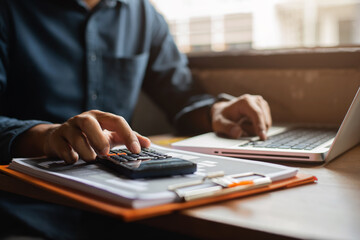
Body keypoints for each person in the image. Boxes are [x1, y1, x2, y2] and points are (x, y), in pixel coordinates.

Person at [0, 0, 272, 239]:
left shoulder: (142, 12)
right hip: (29, 206)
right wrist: (46, 135)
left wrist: (215, 111)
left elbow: (181, 95)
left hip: (126, 203)